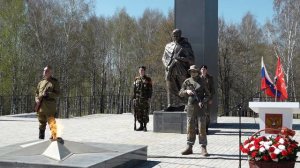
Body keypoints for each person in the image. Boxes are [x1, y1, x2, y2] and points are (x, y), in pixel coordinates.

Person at [179, 65, 211, 156]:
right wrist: (186, 92)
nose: (193, 73)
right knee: (190, 128)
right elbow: (180, 93)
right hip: (190, 107)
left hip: (200, 108)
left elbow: (208, 95)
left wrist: (203, 101)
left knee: (202, 128)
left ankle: (203, 147)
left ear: (197, 72)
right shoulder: (187, 81)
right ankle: (189, 147)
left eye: (194, 71)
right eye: (191, 71)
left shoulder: (203, 81)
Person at [162, 29, 195, 111]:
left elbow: (191, 58)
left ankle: (186, 104)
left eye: (177, 36)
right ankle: (171, 105)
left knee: (183, 87)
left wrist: (180, 59)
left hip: (181, 70)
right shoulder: (168, 46)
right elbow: (163, 58)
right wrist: (167, 66)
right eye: (174, 36)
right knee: (170, 87)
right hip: (170, 70)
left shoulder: (186, 45)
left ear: (180, 35)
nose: (175, 37)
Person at [35, 65, 60, 140]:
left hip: (49, 107)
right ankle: (41, 139)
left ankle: (54, 140)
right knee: (41, 124)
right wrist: (36, 99)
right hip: (41, 107)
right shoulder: (41, 82)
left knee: (52, 123)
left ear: (51, 72)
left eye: (47, 71)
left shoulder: (54, 82)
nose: (45, 72)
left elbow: (58, 94)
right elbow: (36, 93)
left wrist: (48, 94)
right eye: (44, 70)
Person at [132, 66, 153, 131]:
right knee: (138, 112)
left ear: (144, 71)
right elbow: (134, 89)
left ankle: (145, 126)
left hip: (145, 99)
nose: (141, 71)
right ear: (139, 71)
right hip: (138, 99)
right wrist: (134, 98)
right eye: (140, 70)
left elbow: (150, 89)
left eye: (142, 70)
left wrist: (149, 97)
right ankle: (140, 125)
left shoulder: (148, 79)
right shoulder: (136, 79)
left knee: (145, 112)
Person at [200, 65, 215, 134]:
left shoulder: (210, 78)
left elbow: (213, 90)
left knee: (207, 114)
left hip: (207, 99)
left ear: (206, 70)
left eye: (204, 69)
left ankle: (206, 129)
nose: (203, 70)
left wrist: (211, 99)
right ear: (200, 70)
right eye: (202, 69)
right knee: (199, 114)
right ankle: (200, 129)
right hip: (200, 99)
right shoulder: (198, 78)